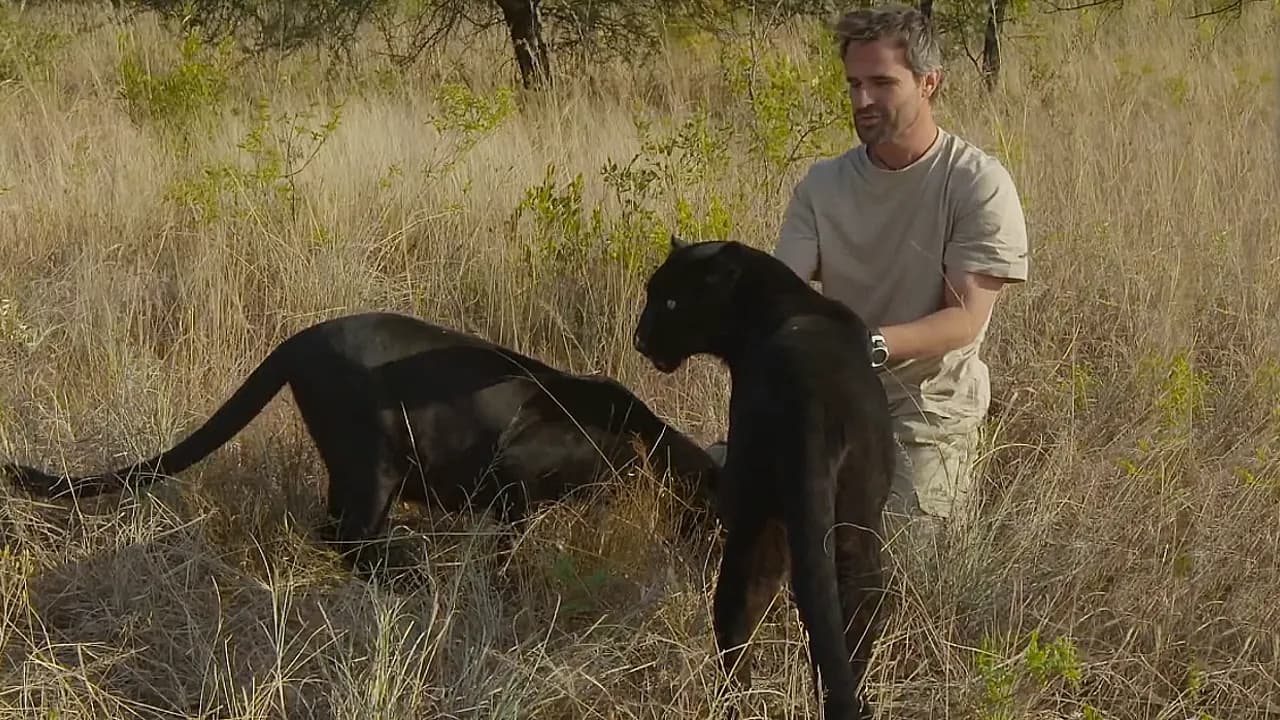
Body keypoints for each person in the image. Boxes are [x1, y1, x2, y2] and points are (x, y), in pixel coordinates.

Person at [708, 4, 1029, 543]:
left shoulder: (976, 183)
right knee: (711, 503)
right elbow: (778, 291)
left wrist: (862, 345)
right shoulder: (823, 184)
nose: (862, 100)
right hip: (827, 396)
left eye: (882, 83)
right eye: (854, 83)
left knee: (900, 559)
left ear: (929, 82)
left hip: (926, 406)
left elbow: (964, 320)